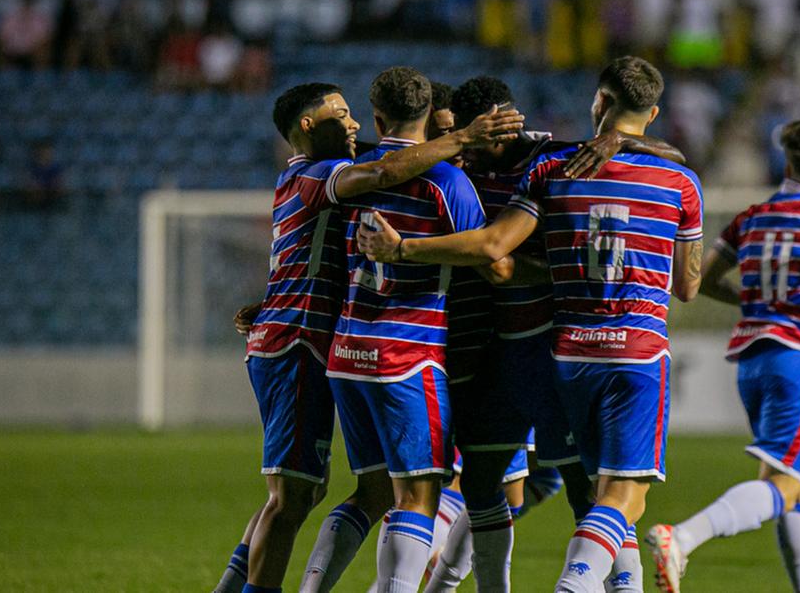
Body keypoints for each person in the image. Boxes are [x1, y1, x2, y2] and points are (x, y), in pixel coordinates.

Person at [357, 57, 705, 593]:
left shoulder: (549, 158)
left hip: (546, 346)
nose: (469, 146)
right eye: (458, 136)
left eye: (480, 134)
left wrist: (618, 141)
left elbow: (498, 258)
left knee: (588, 489)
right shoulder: (453, 171)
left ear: (509, 124)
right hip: (484, 353)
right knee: (481, 484)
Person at [212, 80, 524, 593]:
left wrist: (272, 302)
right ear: (308, 126)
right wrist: (465, 144)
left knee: (332, 493)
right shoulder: (330, 174)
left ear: (380, 119)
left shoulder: (341, 180)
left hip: (335, 347)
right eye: (341, 114)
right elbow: (492, 259)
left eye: (358, 114)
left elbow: (322, 252)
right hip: (335, 346)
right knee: (306, 497)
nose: (353, 122)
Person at [299, 67, 515, 593]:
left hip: (348, 354)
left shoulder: (351, 172)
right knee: (419, 497)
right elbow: (494, 266)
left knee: (369, 491)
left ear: (376, 118)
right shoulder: (449, 182)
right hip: (408, 356)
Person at [646, 119, 800, 593]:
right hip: (798, 355)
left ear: (788, 163)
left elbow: (703, 280)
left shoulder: (751, 215)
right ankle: (683, 537)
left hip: (751, 358)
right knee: (786, 483)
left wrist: (752, 303)